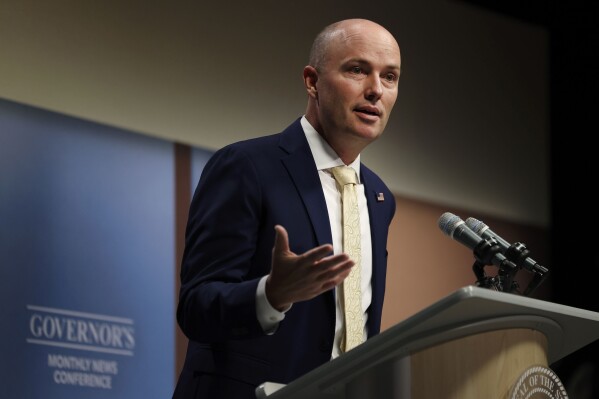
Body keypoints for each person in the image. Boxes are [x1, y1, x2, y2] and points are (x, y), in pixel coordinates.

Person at [173, 18, 401, 399]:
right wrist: (271, 294)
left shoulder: (379, 196)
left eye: (390, 77)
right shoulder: (247, 166)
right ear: (312, 81)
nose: (376, 90)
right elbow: (196, 308)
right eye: (358, 70)